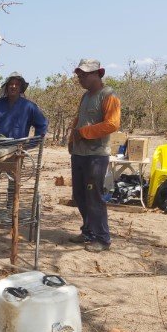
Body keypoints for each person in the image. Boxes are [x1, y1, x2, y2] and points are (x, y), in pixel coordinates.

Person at [68, 58, 121, 252]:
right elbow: (78, 120)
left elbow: (112, 124)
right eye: (79, 75)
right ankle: (88, 231)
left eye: (84, 75)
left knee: (94, 196)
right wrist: (72, 140)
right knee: (80, 195)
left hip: (96, 155)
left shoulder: (108, 95)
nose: (80, 78)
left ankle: (102, 238)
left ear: (97, 74)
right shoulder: (85, 97)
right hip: (79, 153)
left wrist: (83, 133)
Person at [0, 72, 48, 212]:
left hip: (18, 149)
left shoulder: (29, 106)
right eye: (11, 84)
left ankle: (11, 208)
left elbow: (42, 125)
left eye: (16, 84)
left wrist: (31, 143)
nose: (13, 86)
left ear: (21, 87)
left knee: (13, 181)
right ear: (6, 87)